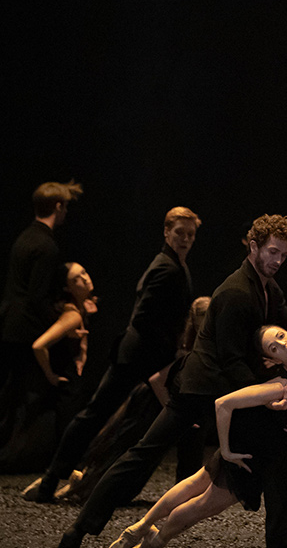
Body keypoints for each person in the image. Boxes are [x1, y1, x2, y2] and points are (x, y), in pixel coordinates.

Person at [55, 214, 287, 548]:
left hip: (226, 385)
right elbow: (229, 359)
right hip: (202, 387)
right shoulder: (236, 292)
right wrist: (266, 395)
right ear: (253, 247)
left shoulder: (269, 289)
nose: (278, 261)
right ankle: (78, 531)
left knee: (276, 446)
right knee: (143, 453)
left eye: (284, 255)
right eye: (272, 252)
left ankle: (279, 546)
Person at [111, 324, 287, 548]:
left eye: (281, 336)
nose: (283, 344)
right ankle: (152, 542)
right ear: (271, 359)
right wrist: (226, 451)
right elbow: (223, 404)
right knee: (203, 504)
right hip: (252, 456)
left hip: (255, 445)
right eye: (274, 347)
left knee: (196, 482)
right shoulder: (280, 385)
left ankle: (140, 526)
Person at [29, 207, 200, 503]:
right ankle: (51, 481)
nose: (185, 239)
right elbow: (144, 318)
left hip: (145, 355)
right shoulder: (166, 268)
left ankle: (54, 481)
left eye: (190, 234)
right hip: (140, 356)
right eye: (179, 233)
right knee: (97, 414)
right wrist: (167, 357)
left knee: (101, 415)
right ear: (166, 231)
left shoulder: (175, 265)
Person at [37, 297, 211, 504]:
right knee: (123, 453)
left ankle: (184, 498)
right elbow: (157, 381)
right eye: (206, 317)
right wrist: (173, 411)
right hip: (149, 403)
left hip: (168, 404)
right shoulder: (186, 350)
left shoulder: (200, 346)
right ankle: (84, 488)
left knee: (180, 448)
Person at [0, 180, 83, 446]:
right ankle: (55, 450)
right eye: (66, 206)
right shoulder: (46, 246)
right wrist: (60, 323)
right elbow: (36, 296)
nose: (67, 212)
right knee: (55, 385)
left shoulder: (24, 237)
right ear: (58, 206)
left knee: (11, 392)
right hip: (27, 327)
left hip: (9, 323)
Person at [0, 262, 97, 472]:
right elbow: (39, 345)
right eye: (76, 278)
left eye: (84, 272)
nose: (85, 278)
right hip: (66, 379)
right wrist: (51, 375)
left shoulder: (82, 308)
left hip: (71, 376)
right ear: (66, 288)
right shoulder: (72, 314)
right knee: (69, 424)